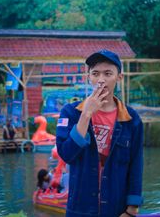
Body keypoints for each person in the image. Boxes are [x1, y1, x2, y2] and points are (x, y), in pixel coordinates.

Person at [56, 49, 143, 217]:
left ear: (119, 77)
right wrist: (86, 114)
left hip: (116, 208)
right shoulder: (70, 113)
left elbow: (136, 164)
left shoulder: (131, 119)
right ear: (88, 77)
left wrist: (132, 209)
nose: (101, 80)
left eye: (108, 73)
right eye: (95, 73)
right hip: (80, 208)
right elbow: (66, 154)